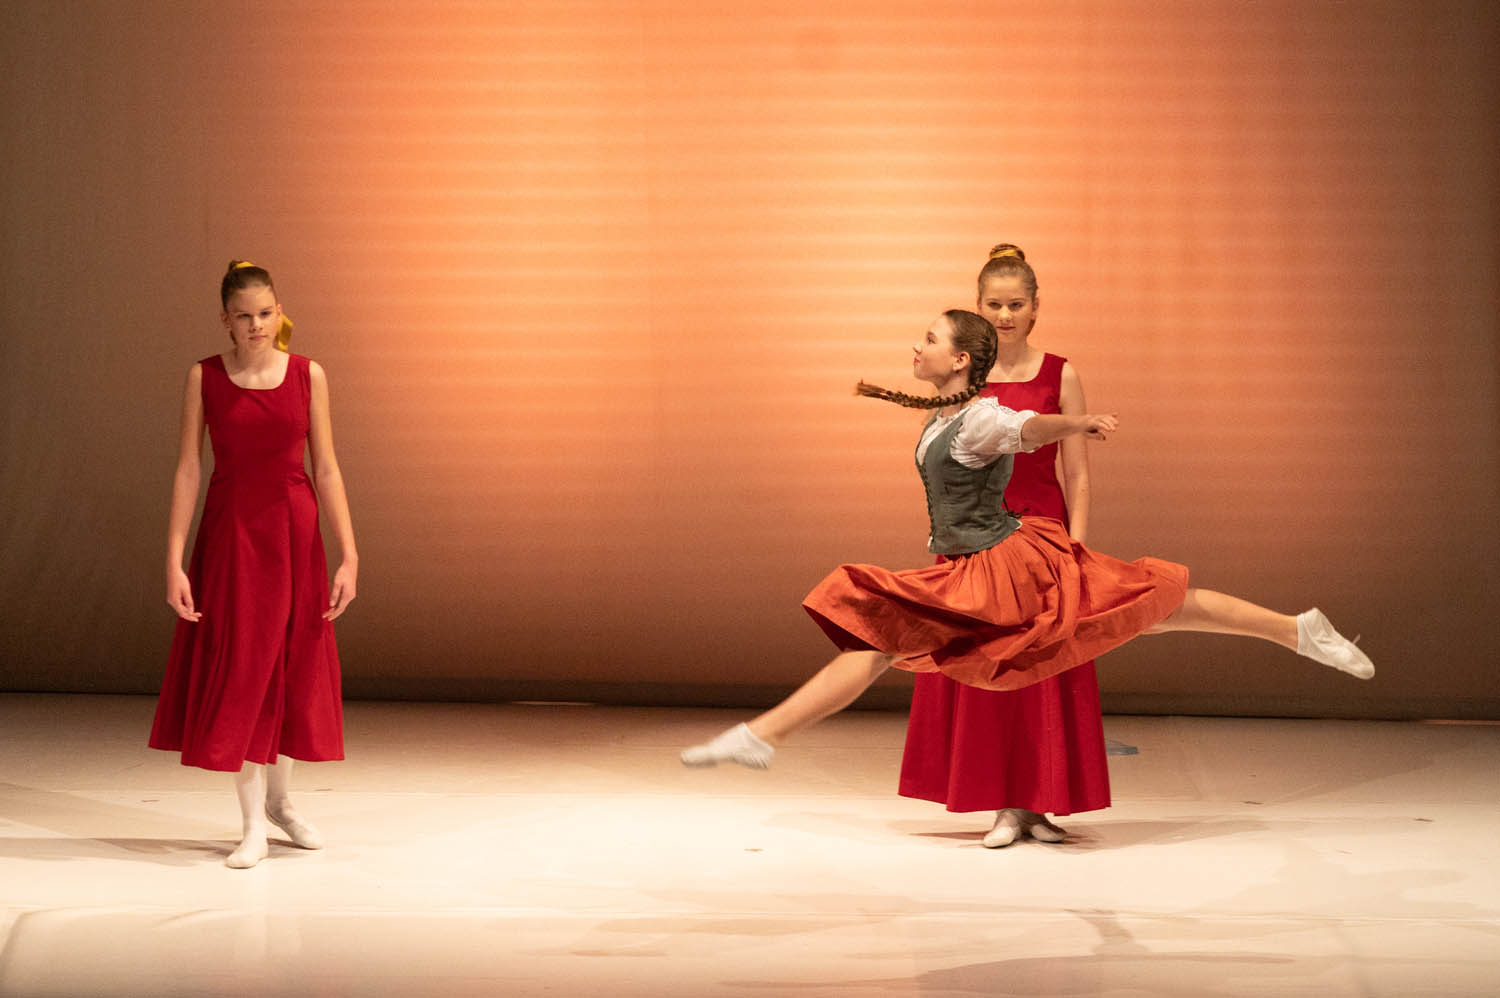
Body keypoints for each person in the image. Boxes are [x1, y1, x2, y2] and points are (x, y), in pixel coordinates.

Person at [682, 308, 1371, 777]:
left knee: (1157, 605)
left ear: (958, 358)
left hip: (1008, 568)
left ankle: (1298, 630)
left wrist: (1075, 423)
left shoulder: (982, 420)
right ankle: (762, 736)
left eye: (928, 338)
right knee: (880, 641)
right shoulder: (942, 418)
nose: (916, 348)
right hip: (976, 565)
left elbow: (1027, 428)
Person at [149, 260, 357, 869]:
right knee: (243, 666)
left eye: (265, 313)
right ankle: (250, 825)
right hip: (234, 537)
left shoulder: (308, 374)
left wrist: (349, 552)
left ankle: (280, 802)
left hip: (295, 535)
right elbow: (189, 468)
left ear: (279, 312)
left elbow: (326, 467)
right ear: (226, 319)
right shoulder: (206, 377)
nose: (256, 325)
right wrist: (173, 560)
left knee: (290, 664)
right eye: (243, 316)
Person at [901, 245, 1106, 848]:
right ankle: (1002, 804)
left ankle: (1038, 802)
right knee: (988, 668)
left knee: (1043, 668)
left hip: (1044, 536)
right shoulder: (965, 375)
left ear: (1036, 307)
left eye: (1016, 304)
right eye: (994, 305)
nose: (1006, 315)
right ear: (979, 306)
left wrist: (1078, 547)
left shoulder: (1060, 374)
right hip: (977, 544)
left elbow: (1077, 473)